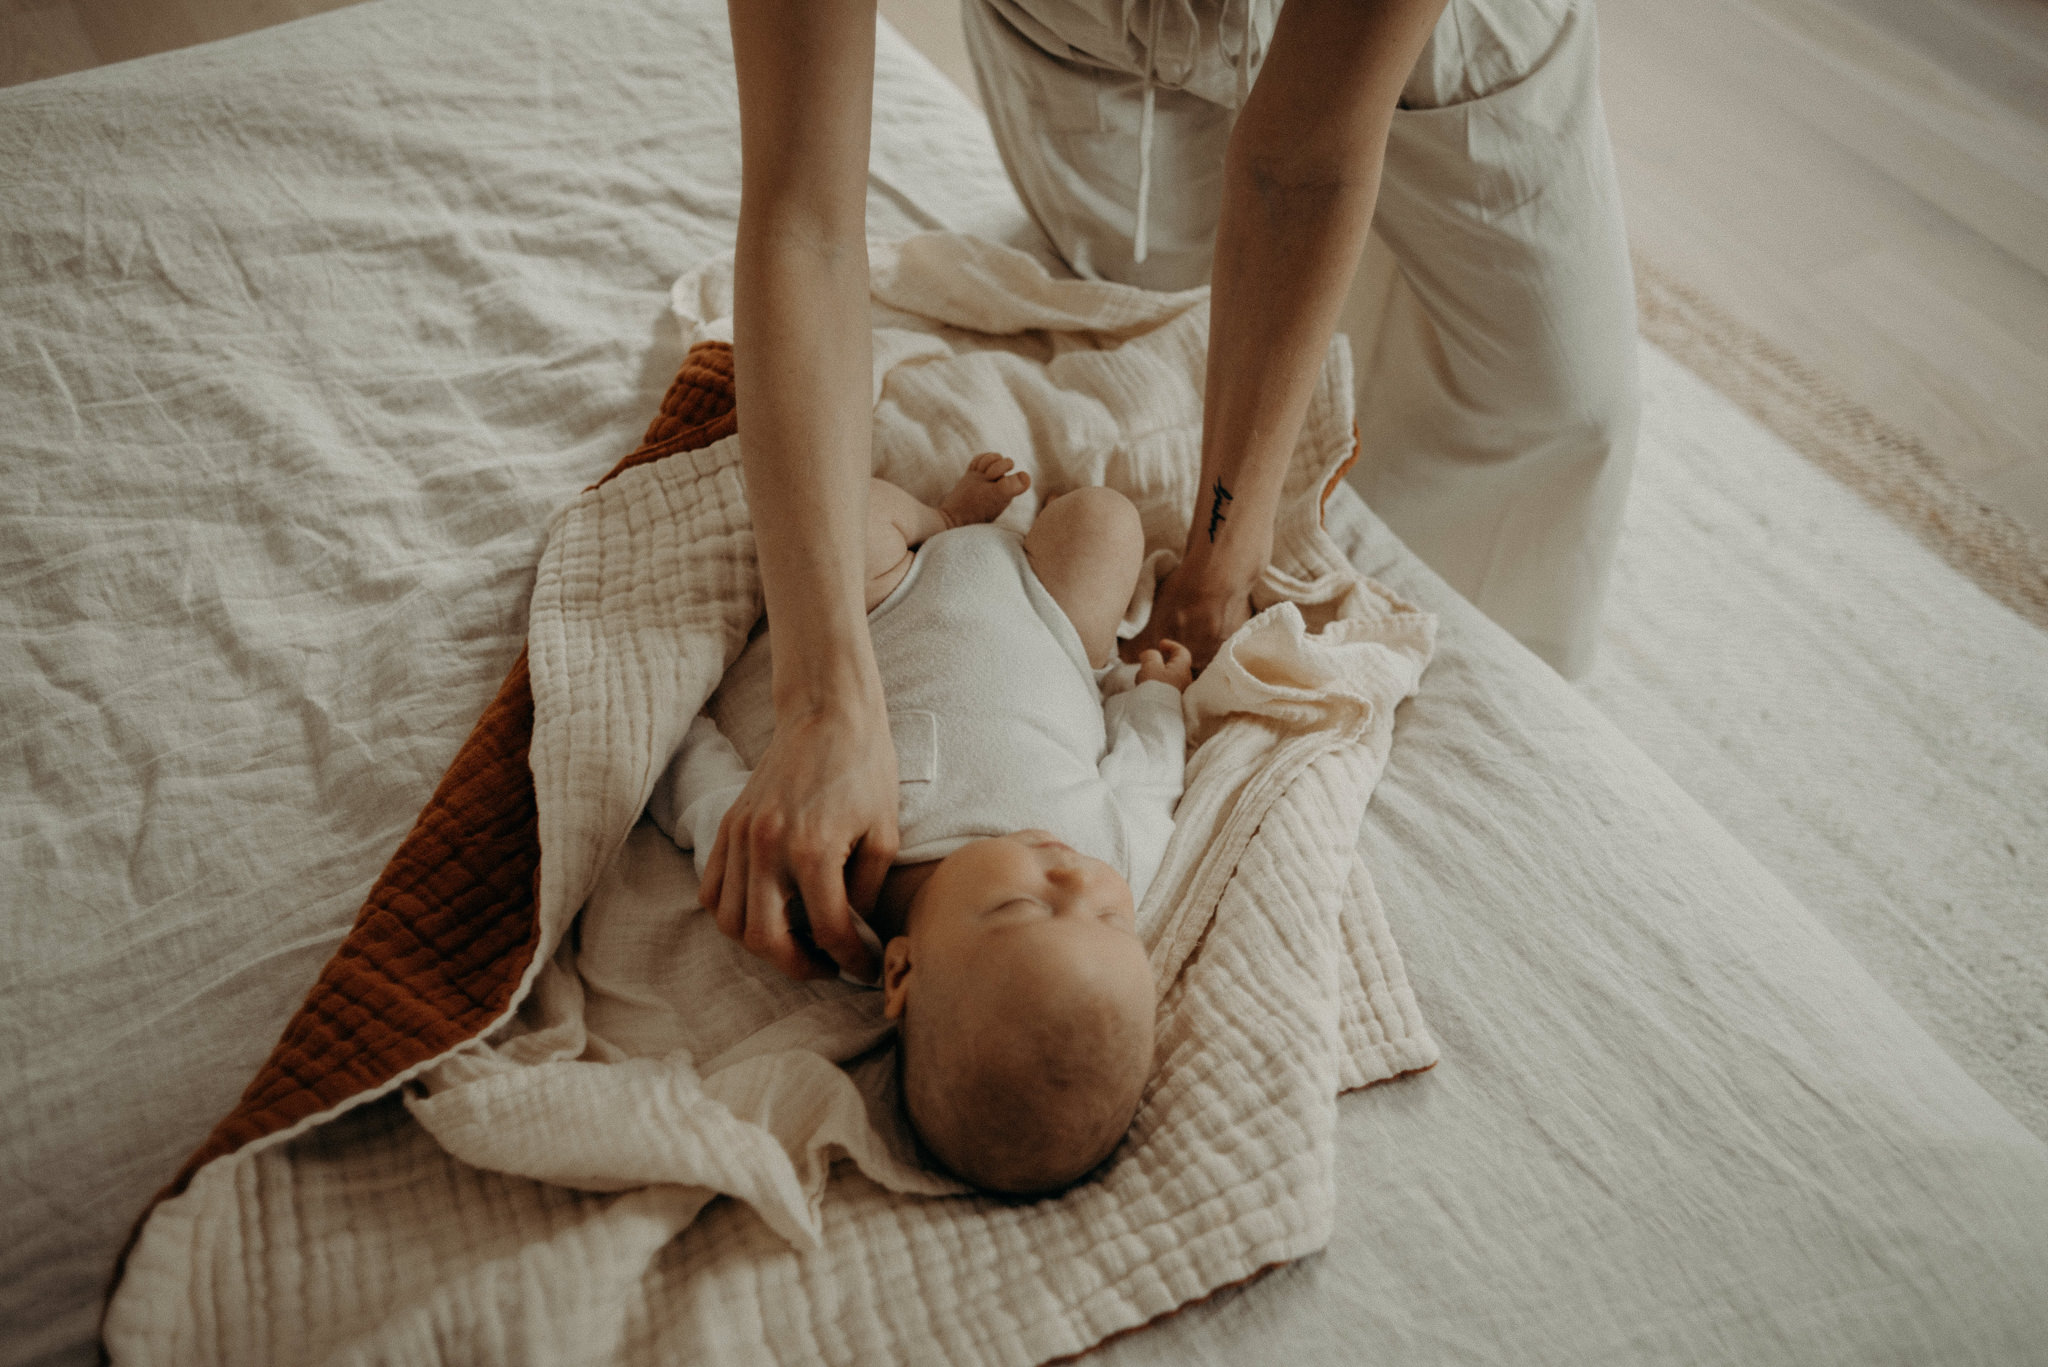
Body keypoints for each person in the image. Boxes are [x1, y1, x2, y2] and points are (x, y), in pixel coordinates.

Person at [714, 0, 1639, 982]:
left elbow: (1300, 165)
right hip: (1086, 33)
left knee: (1557, 406)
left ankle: (1498, 679)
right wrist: (820, 699)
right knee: (1148, 318)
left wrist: (1220, 563)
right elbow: (803, 222)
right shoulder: (1108, 871)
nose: (1073, 889)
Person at [652, 455, 1190, 1192]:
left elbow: (710, 798)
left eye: (1025, 904)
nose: (1077, 876)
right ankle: (955, 524)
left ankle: (936, 520)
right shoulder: (1117, 855)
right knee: (1106, 521)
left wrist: (670, 730)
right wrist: (1156, 697)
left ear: (902, 968)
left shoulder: (823, 885)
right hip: (1054, 616)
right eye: (1112, 917)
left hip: (886, 597)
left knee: (852, 517)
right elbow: (1152, 775)